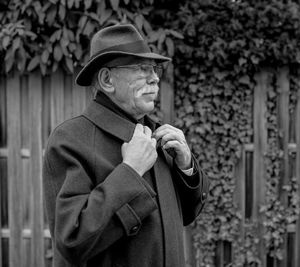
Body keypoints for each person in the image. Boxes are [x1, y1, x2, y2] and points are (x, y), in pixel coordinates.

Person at [43, 24, 209, 267]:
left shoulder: (157, 136)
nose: (155, 78)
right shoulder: (69, 140)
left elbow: (185, 215)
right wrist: (130, 171)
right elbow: (72, 241)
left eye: (154, 68)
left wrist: (187, 167)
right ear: (107, 79)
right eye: (142, 69)